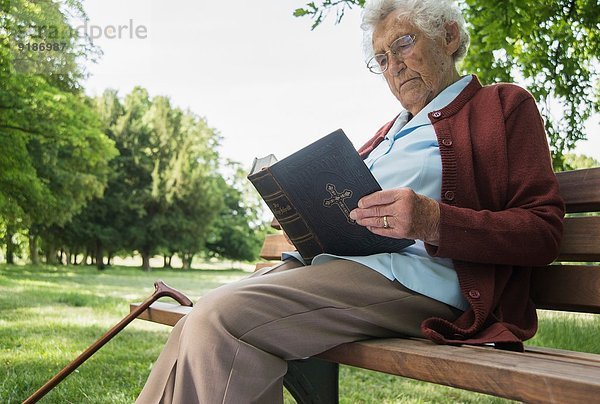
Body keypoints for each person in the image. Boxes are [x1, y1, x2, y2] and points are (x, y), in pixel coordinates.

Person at [136, 0, 564, 402]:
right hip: (344, 270)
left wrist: (433, 221)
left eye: (403, 44)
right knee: (201, 317)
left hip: (420, 283)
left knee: (223, 320)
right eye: (381, 59)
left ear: (449, 37)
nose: (393, 67)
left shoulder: (502, 106)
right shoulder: (387, 132)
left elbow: (542, 232)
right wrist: (302, 214)